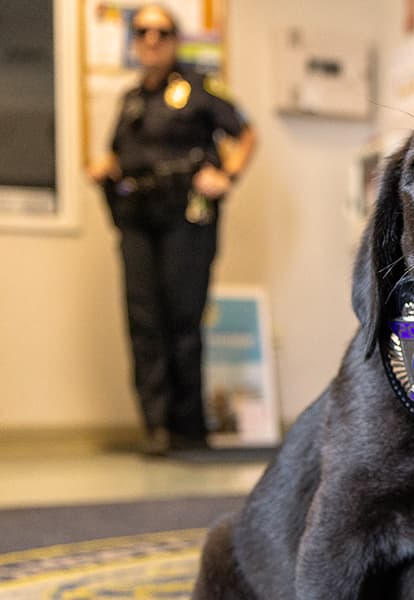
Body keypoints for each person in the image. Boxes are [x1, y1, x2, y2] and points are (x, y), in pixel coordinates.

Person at [87, 4, 257, 455]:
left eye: (160, 32)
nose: (150, 40)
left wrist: (228, 177)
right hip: (138, 220)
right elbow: (119, 154)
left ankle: (188, 427)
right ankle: (156, 426)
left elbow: (245, 133)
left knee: (183, 318)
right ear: (133, 41)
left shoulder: (200, 88)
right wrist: (106, 167)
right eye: (141, 32)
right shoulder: (131, 101)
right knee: (144, 321)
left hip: (187, 215)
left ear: (174, 40)